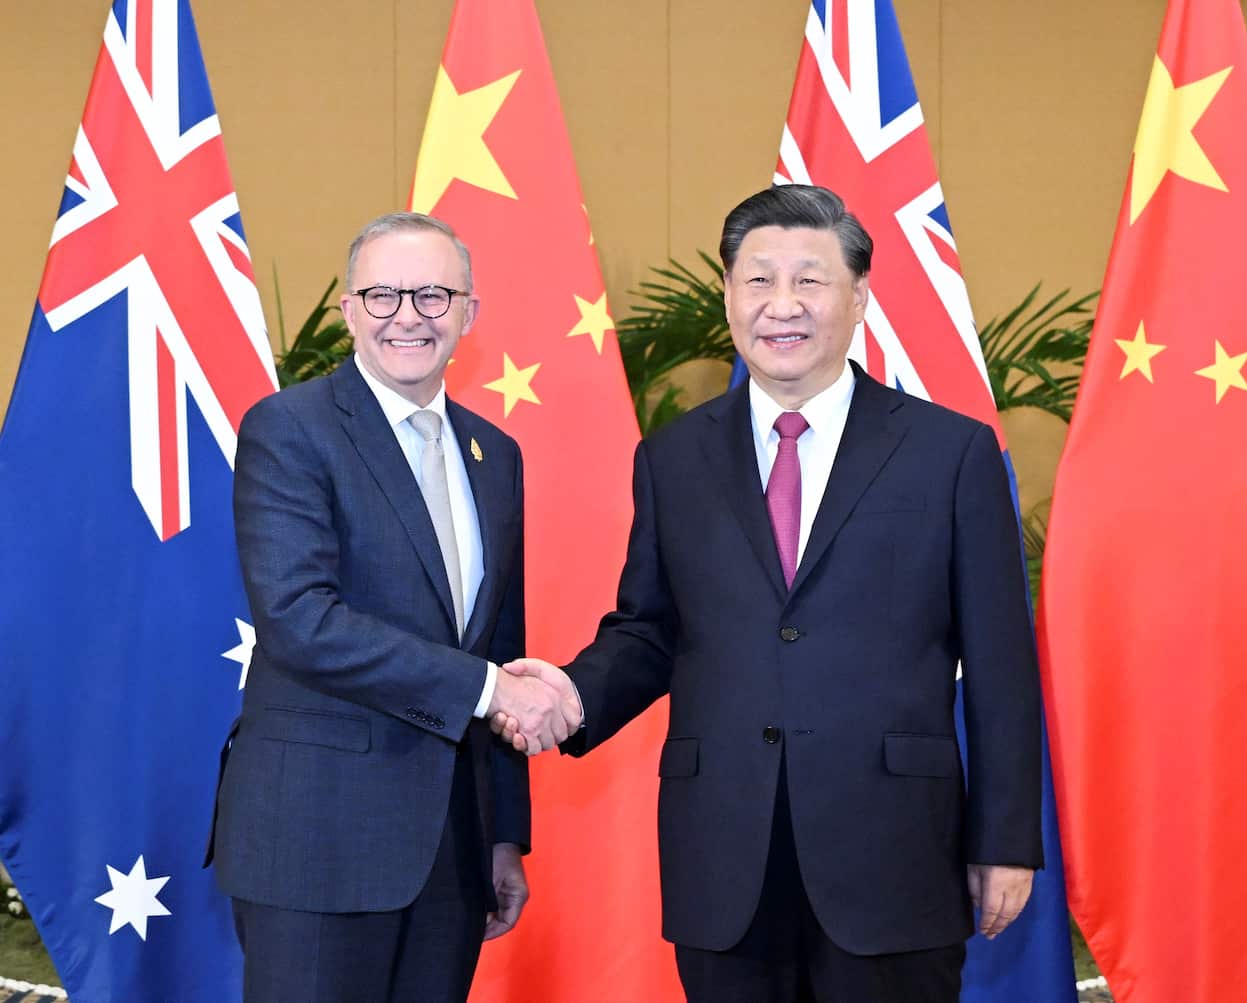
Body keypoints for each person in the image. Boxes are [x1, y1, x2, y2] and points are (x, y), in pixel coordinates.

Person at [497, 185, 1043, 1002]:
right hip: (725, 857)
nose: (780, 305)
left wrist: (1004, 839)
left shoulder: (949, 453)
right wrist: (573, 694)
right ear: (727, 294)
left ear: (858, 295)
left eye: (809, 280)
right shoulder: (674, 458)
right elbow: (651, 630)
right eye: (757, 280)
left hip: (892, 855)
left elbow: (1001, 663)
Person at [206, 211, 581, 1002]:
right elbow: (301, 620)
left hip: (451, 851)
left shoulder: (495, 454)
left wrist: (502, 830)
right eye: (382, 295)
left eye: (433, 294)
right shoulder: (290, 429)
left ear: (469, 312)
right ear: (347, 309)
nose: (407, 315)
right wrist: (490, 691)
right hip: (314, 841)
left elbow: (498, 642)